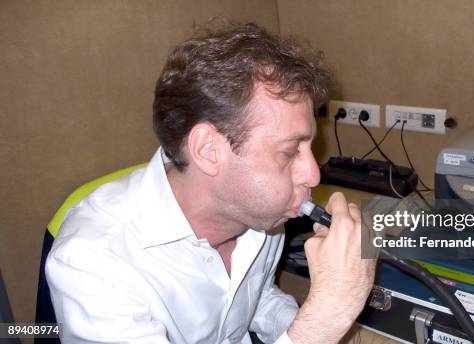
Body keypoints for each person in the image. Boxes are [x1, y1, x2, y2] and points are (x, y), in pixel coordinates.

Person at [46, 22, 376, 343]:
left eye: (309, 148)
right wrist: (325, 318)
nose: (313, 175)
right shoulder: (93, 262)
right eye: (290, 152)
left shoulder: (265, 219)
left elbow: (252, 299)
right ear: (209, 150)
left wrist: (318, 324)